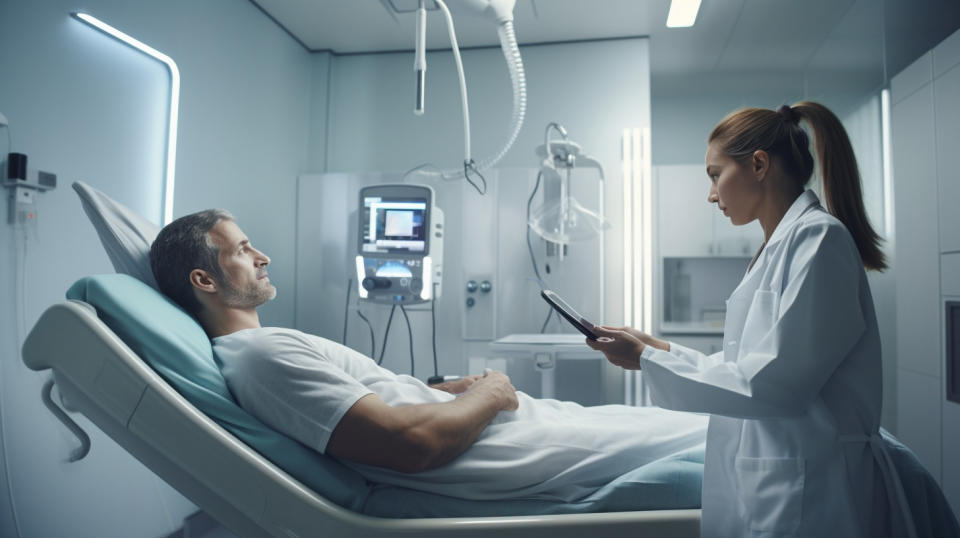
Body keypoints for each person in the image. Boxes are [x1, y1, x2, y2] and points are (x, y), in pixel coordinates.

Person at [148, 209, 706, 503]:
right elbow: (410, 444)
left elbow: (372, 409)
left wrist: (447, 392)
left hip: (521, 429)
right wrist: (491, 391)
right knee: (726, 435)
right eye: (244, 250)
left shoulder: (267, 350)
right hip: (520, 449)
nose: (263, 255)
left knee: (701, 423)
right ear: (205, 279)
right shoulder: (261, 357)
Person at [588, 102, 908, 537]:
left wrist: (647, 359)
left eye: (715, 175)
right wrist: (656, 349)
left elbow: (774, 384)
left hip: (814, 485)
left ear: (758, 164)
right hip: (782, 473)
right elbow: (749, 365)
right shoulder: (779, 246)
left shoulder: (819, 239)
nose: (711, 193)